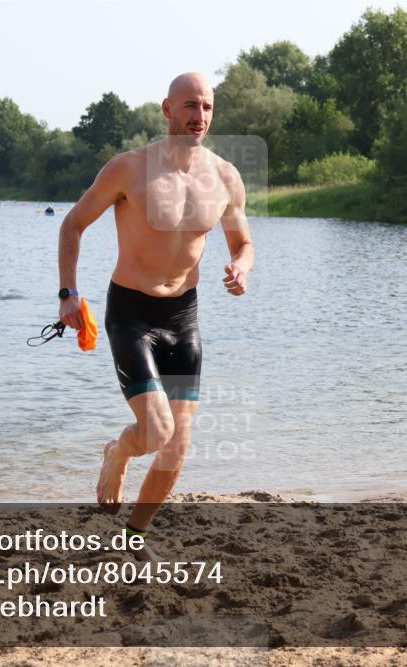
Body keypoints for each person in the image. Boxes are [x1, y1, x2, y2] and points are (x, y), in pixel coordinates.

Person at [57, 72, 253, 544]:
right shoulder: (129, 169)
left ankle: (133, 537)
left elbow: (243, 241)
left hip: (183, 317)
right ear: (167, 109)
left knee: (177, 444)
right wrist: (69, 293)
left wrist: (241, 267)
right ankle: (118, 452)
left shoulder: (226, 177)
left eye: (205, 107)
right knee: (157, 429)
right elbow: (73, 225)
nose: (198, 116)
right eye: (188, 106)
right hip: (132, 313)